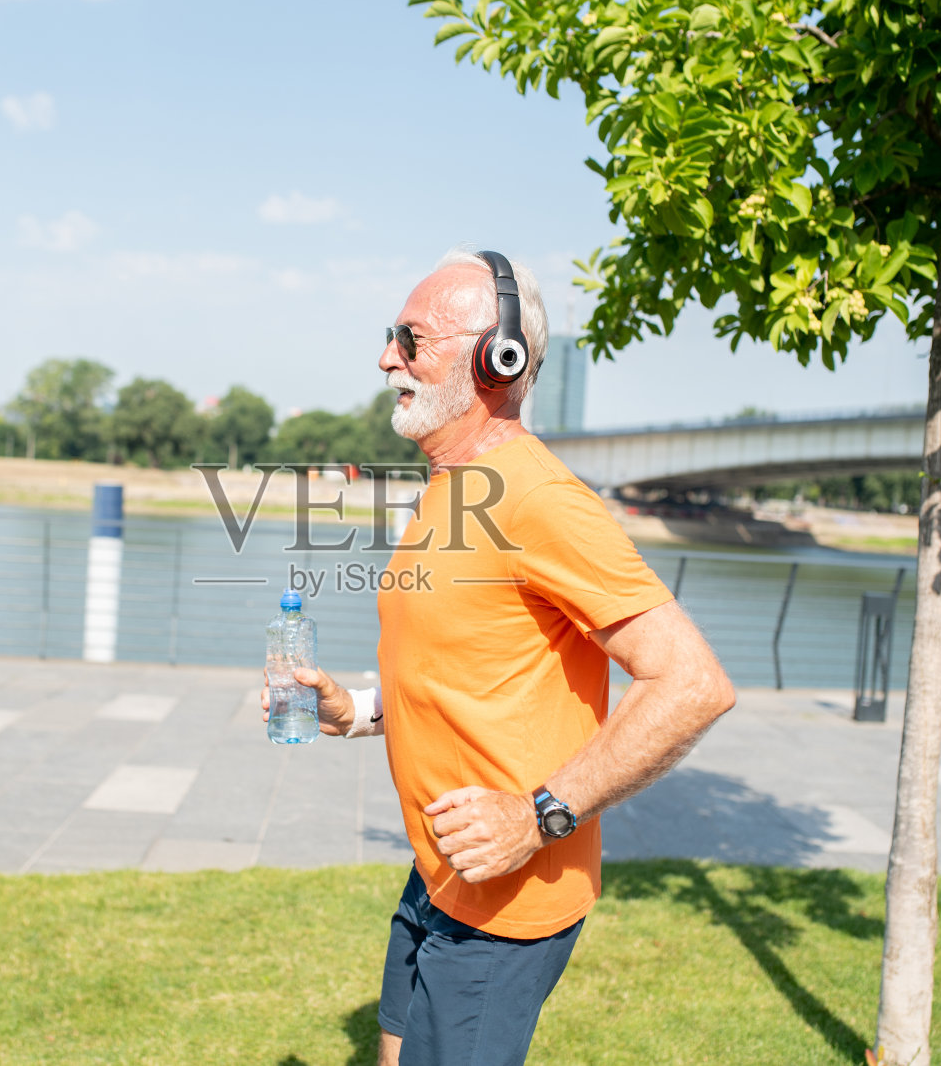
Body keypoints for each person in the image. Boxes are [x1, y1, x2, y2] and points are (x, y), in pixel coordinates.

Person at [266, 248, 735, 1066]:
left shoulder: (538, 498)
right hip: (440, 866)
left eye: (410, 340)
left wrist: (538, 816)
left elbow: (693, 683)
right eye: (391, 337)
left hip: (508, 896)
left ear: (496, 359)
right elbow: (472, 666)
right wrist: (362, 708)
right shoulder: (449, 486)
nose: (387, 358)